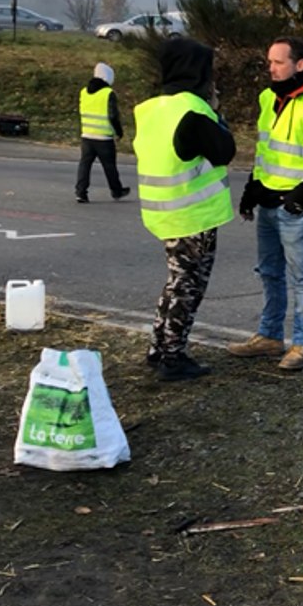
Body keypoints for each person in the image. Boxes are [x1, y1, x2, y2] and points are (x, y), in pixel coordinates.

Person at [228, 37, 303, 371]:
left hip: (299, 209)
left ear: (300, 65)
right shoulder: (269, 98)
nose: (271, 68)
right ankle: (269, 336)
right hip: (268, 202)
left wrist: (301, 198)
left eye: (279, 62)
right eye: (269, 62)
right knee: (269, 273)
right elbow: (265, 154)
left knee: (302, 278)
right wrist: (251, 192)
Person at [134, 38, 236, 381]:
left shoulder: (152, 110)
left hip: (164, 213)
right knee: (188, 287)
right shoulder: (193, 111)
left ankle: (157, 346)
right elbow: (224, 151)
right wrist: (218, 114)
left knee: (175, 282)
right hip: (195, 216)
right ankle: (173, 357)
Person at [75, 62, 130, 203]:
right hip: (104, 138)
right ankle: (116, 191)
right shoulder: (108, 93)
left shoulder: (83, 91)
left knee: (85, 165)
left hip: (86, 135)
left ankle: (81, 193)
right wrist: (119, 132)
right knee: (109, 166)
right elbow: (113, 116)